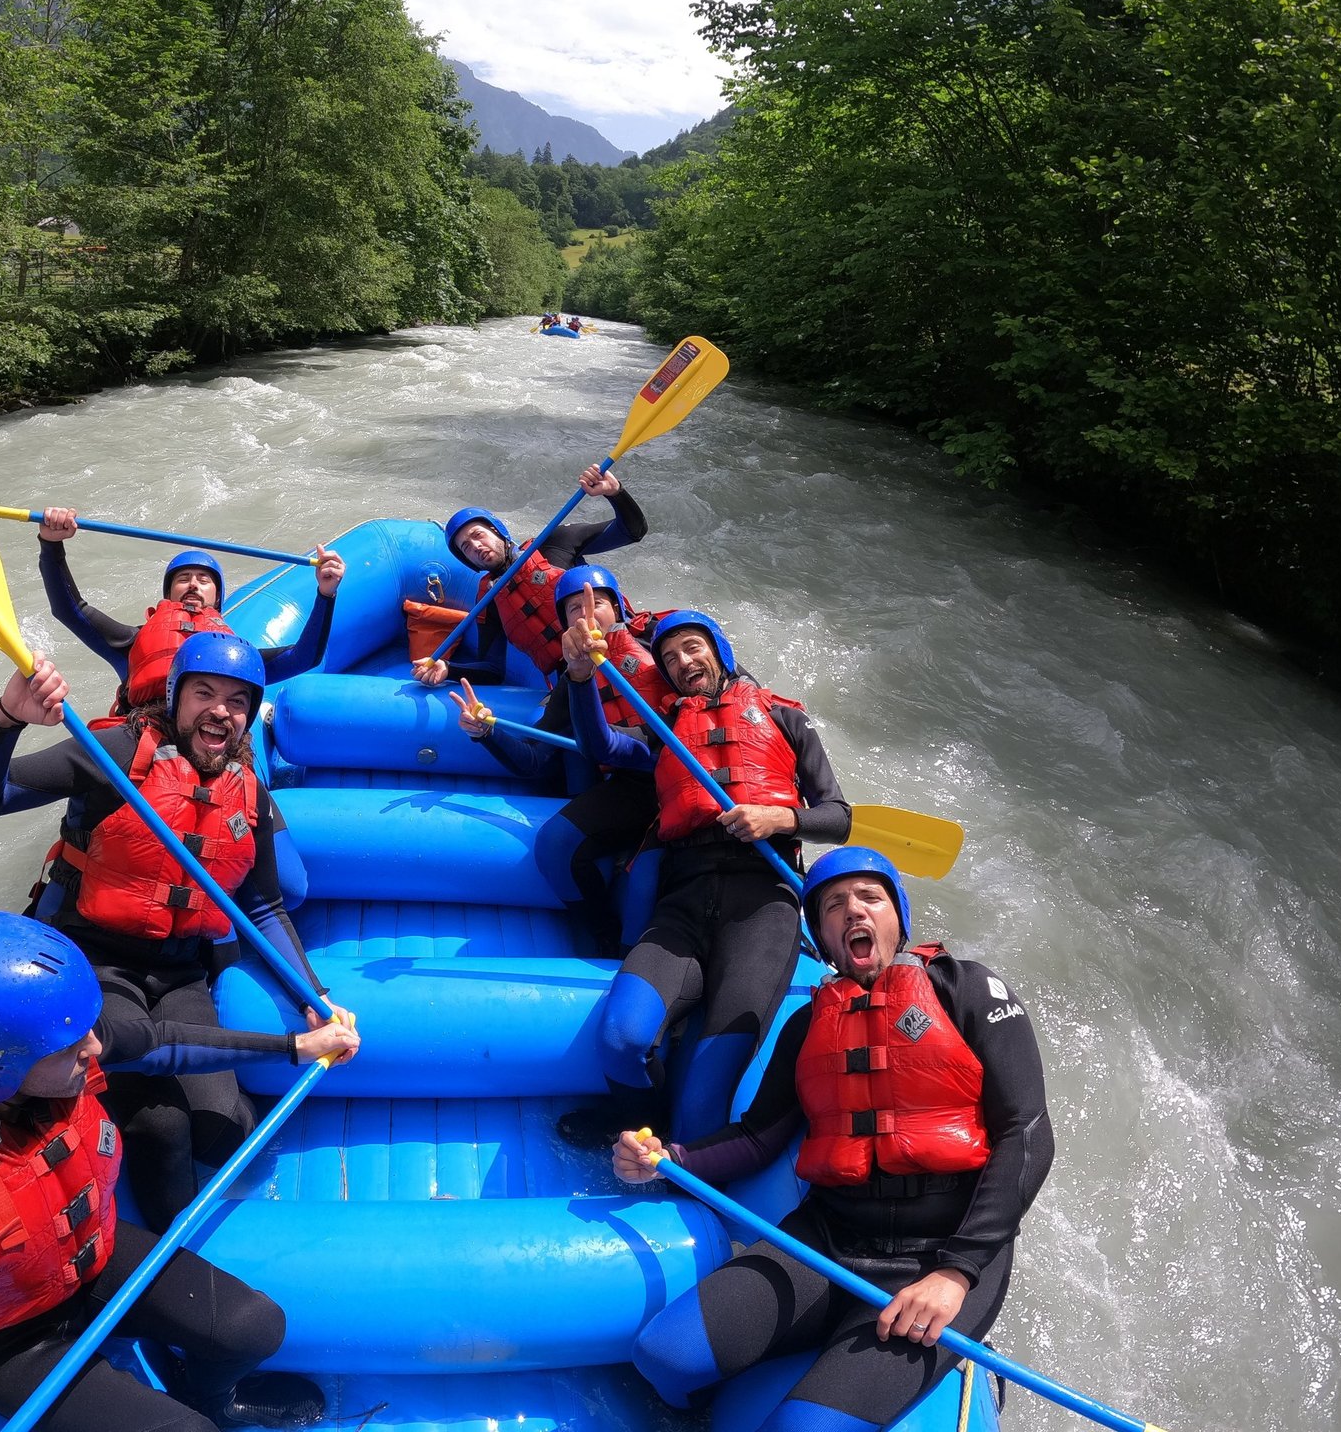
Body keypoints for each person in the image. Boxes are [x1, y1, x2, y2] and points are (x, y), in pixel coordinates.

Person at [0, 910, 361, 1432]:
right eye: (72, 1047)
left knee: (254, 1329)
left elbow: (160, 1042)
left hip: (88, 1257)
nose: (94, 1047)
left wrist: (295, 1045)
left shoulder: (49, 1041)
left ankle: (208, 1397)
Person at [612, 848, 1053, 1432]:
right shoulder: (807, 1025)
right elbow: (757, 1137)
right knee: (663, 1357)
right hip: (826, 1240)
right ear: (821, 936)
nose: (853, 911)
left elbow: (1027, 1131)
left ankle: (954, 1358)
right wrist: (671, 1159)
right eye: (834, 906)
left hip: (940, 1252)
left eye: (870, 898)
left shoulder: (967, 988)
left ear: (898, 917)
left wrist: (957, 1273)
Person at [0, 632, 348, 1229]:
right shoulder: (114, 753)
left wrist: (313, 998)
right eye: (204, 693)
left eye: (237, 701)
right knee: (161, 1130)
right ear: (174, 697)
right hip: (92, 967)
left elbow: (265, 907)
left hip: (180, 971)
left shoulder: (250, 795)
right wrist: (6, 719)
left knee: (227, 1131)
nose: (220, 710)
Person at [558, 609, 851, 1146]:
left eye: (692, 648)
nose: (682, 662)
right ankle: (642, 1124)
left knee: (703, 1104)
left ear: (718, 651)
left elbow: (838, 817)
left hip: (764, 899)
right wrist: (579, 676)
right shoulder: (663, 728)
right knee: (621, 1040)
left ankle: (684, 1149)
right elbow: (600, 746)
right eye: (669, 658)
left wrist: (780, 818)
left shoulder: (785, 717)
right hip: (685, 898)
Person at [447, 565, 670, 954]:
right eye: (573, 610)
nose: (585, 615)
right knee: (554, 844)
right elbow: (533, 761)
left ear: (618, 608)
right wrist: (486, 733)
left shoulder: (661, 645)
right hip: (636, 783)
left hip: (688, 772)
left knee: (647, 877)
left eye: (596, 604)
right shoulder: (573, 680)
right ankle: (601, 933)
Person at [37, 509, 345, 711]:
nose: (194, 584)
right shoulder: (132, 641)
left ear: (218, 599)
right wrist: (51, 544)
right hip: (139, 742)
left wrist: (325, 593)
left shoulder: (238, 656)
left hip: (211, 746)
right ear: (169, 594)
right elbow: (70, 609)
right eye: (183, 579)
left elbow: (305, 657)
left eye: (204, 580)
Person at [414, 463, 648, 686]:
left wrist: (615, 492)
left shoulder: (554, 543)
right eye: (466, 547)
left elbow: (632, 531)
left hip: (627, 648)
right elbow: (493, 670)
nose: (475, 546)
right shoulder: (488, 601)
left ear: (497, 531)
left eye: (478, 535)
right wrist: (449, 669)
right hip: (578, 677)